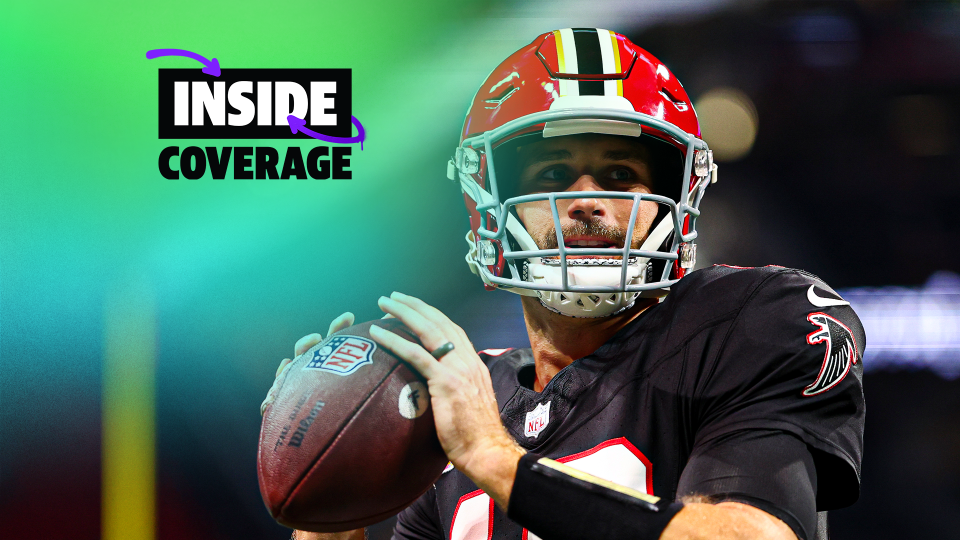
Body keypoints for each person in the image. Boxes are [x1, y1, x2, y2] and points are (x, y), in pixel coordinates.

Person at [263, 29, 864, 540]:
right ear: (491, 204)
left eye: (619, 174)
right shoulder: (462, 395)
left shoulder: (748, 322)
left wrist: (495, 460)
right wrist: (333, 517)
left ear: (674, 201)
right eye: (552, 172)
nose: (585, 202)